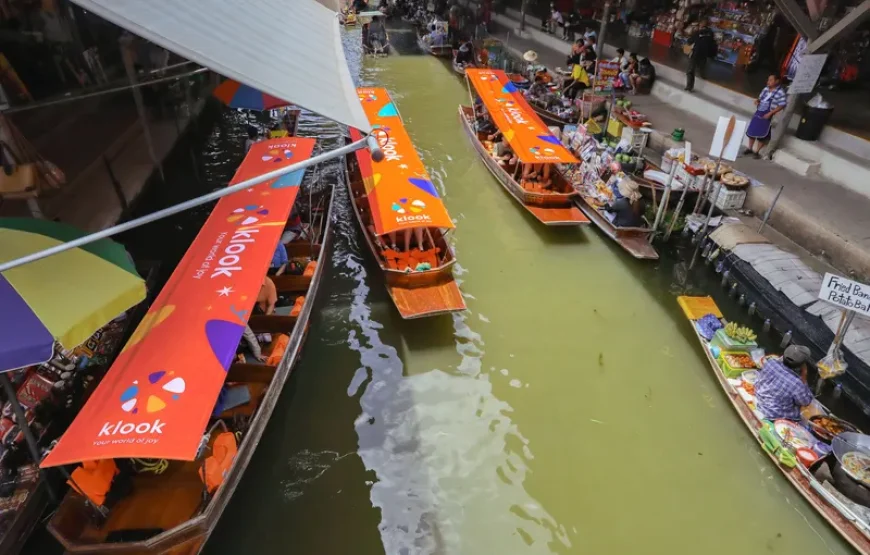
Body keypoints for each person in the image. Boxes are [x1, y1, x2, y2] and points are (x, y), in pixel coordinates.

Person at [755, 345, 815, 421]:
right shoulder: (797, 384)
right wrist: (804, 375)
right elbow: (805, 402)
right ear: (801, 365)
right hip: (774, 414)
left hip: (760, 400)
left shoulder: (770, 363)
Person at [744, 74, 787, 158]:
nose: (768, 82)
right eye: (768, 80)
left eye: (771, 80)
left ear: (777, 81)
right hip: (759, 112)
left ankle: (756, 152)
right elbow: (760, 98)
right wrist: (757, 101)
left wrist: (770, 113)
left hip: (768, 115)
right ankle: (750, 148)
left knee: (763, 134)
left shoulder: (780, 92)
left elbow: (782, 105)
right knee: (752, 131)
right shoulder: (766, 89)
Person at [685, 21, 716, 92]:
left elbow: (689, 41)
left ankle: (689, 87)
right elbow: (712, 44)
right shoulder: (710, 34)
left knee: (690, 70)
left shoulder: (698, 33)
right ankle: (702, 77)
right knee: (700, 67)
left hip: (696, 53)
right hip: (703, 54)